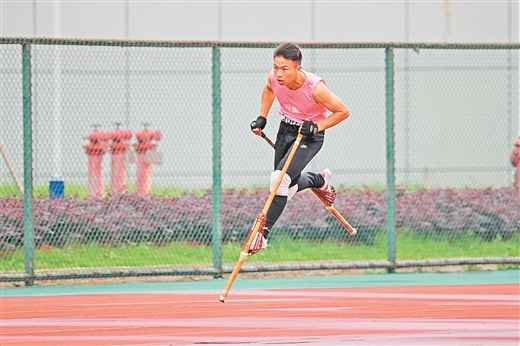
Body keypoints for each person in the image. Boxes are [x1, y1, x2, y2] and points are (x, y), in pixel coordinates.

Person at [249, 42, 350, 254]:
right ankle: (319, 181)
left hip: (309, 136)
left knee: (279, 181)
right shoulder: (273, 78)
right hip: (286, 130)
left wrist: (316, 126)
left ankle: (262, 235)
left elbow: (342, 112)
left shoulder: (316, 88)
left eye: (284, 69)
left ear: (298, 69)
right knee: (287, 187)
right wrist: (262, 117)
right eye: (276, 67)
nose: (278, 73)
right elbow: (269, 90)